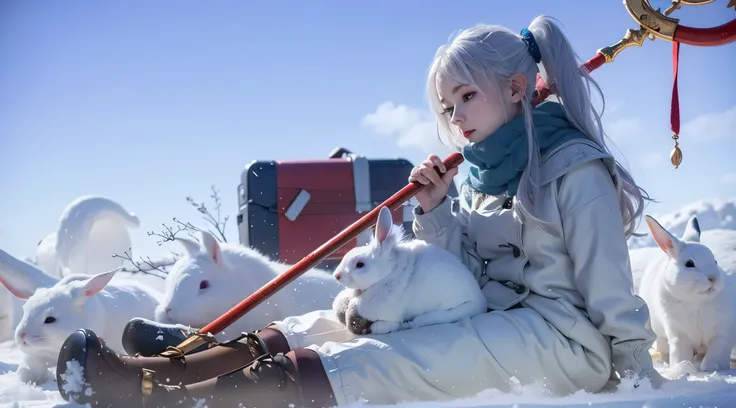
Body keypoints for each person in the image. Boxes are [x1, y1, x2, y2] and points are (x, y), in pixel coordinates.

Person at [53, 15, 665, 408]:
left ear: (515, 87)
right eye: (447, 106)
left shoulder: (571, 167)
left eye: (467, 95)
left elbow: (609, 288)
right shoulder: (477, 175)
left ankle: (165, 396)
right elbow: (462, 283)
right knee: (336, 322)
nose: (455, 118)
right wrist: (435, 213)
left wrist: (637, 375)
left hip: (561, 340)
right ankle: (173, 367)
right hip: (489, 315)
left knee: (381, 359)